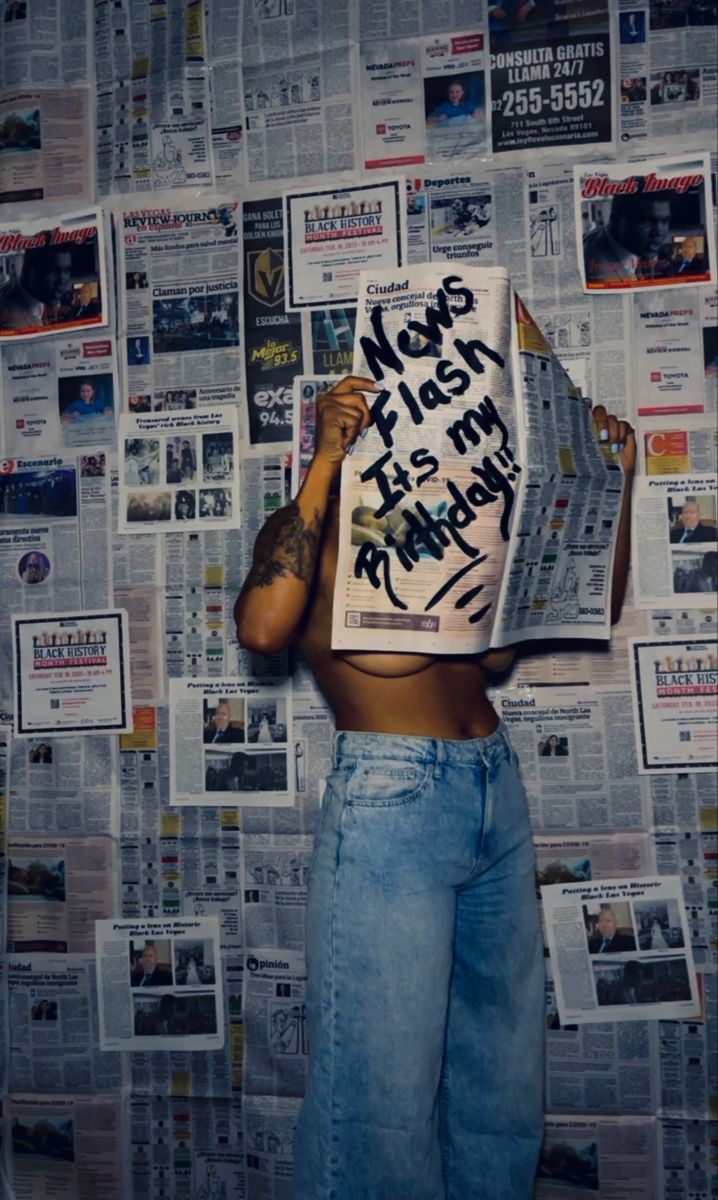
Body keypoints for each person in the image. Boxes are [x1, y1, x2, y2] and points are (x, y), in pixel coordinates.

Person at [234, 375, 635, 1200]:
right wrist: (325, 459)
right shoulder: (312, 524)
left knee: (501, 1079)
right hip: (393, 799)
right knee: (376, 1093)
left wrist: (609, 481)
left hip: (493, 786)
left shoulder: (450, 529)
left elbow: (557, 619)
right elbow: (263, 627)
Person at [583, 192, 672, 283]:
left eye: (665, 220)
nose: (659, 232)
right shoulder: (602, 275)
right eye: (648, 221)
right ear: (619, 219)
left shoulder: (630, 245)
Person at [0, 244, 73, 331]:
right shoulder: (11, 319)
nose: (62, 281)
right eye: (52, 271)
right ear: (28, 271)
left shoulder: (43, 296)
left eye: (67, 270)